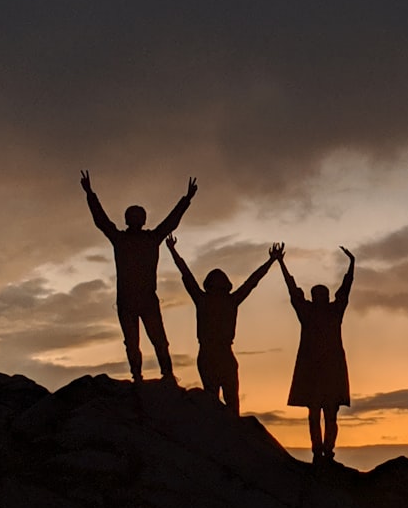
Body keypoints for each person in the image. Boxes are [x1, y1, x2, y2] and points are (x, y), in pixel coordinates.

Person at [80, 169, 197, 383]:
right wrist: (90, 194)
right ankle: (137, 376)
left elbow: (170, 223)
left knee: (159, 340)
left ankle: (167, 374)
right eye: (132, 216)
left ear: (143, 220)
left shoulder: (150, 239)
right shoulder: (121, 239)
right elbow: (101, 220)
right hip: (127, 301)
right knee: (132, 342)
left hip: (146, 300)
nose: (135, 219)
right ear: (127, 220)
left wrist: (186, 200)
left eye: (138, 216)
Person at [165, 234, 283, 414]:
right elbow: (186, 274)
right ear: (210, 284)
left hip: (224, 354)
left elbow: (252, 282)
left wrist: (271, 261)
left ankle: (231, 436)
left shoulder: (227, 300)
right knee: (213, 402)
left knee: (231, 403)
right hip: (209, 354)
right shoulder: (205, 299)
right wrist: (173, 251)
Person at [278, 246, 355, 464]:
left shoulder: (329, 311)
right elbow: (293, 290)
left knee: (327, 415)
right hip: (317, 371)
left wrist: (352, 266)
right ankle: (320, 453)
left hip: (328, 371)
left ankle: (325, 453)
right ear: (314, 297)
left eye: (322, 294)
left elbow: (345, 289)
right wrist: (281, 264)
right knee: (318, 415)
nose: (320, 296)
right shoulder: (312, 312)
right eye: (318, 294)